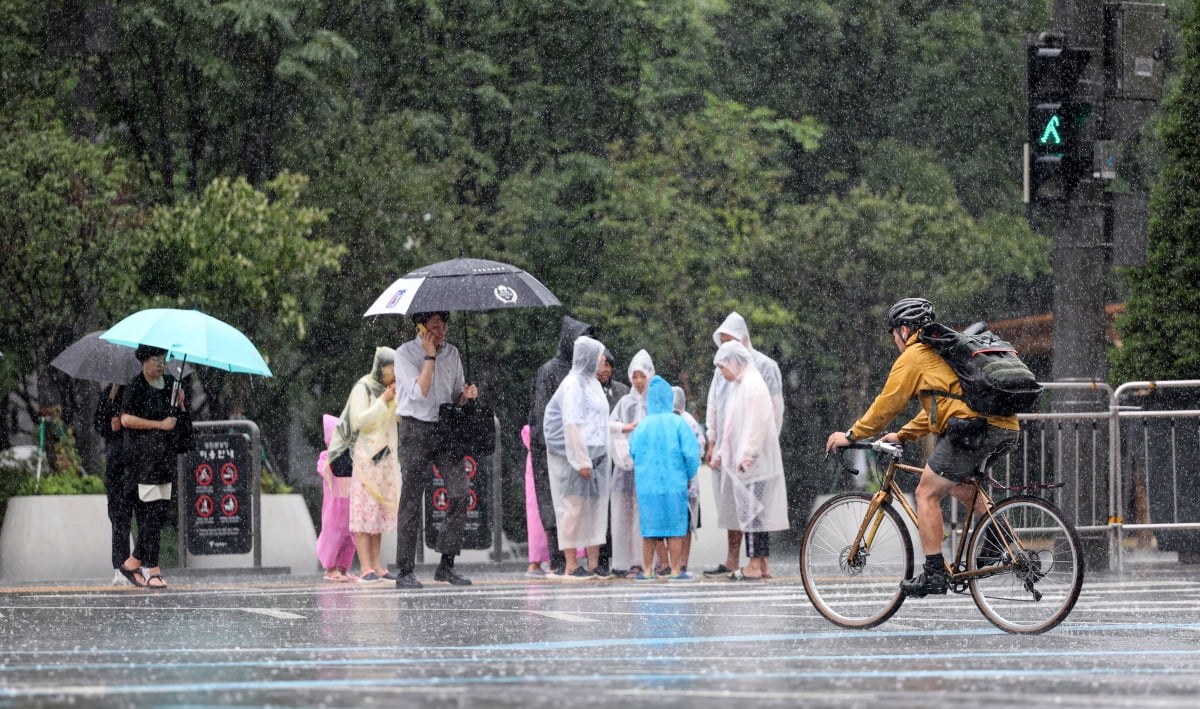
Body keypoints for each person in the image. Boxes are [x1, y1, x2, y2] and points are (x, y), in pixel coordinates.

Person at [824, 297, 1020, 597]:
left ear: (904, 329)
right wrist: (903, 435)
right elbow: (942, 407)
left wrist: (851, 435)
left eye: (894, 335)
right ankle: (1000, 539)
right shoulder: (942, 353)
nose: (895, 342)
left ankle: (934, 574)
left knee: (926, 493)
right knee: (958, 486)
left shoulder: (916, 355)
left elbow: (887, 404)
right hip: (1004, 427)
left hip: (973, 429)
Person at [394, 312, 478, 588]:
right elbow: (419, 392)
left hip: (445, 427)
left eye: (444, 325)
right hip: (414, 429)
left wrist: (465, 397)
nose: (441, 331)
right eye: (434, 326)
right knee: (411, 498)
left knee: (460, 492)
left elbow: (454, 392)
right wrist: (429, 356)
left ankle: (446, 564)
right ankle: (405, 570)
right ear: (420, 328)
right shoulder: (404, 354)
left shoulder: (452, 353)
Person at [703, 312, 785, 578]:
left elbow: (760, 421)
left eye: (723, 367)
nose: (721, 373)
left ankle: (756, 563)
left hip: (753, 458)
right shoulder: (740, 382)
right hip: (742, 457)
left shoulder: (752, 382)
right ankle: (758, 563)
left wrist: (750, 453)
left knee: (753, 513)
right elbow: (727, 423)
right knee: (750, 511)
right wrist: (719, 452)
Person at [528, 316, 595, 575]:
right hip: (551, 448)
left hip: (574, 446)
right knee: (554, 501)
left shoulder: (581, 373)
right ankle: (559, 560)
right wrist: (556, 444)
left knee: (575, 503)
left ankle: (575, 560)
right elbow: (544, 414)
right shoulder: (550, 371)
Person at [542, 335, 612, 580]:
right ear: (589, 358)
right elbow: (571, 424)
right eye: (600, 358)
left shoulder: (592, 383)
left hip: (598, 454)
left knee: (595, 508)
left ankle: (593, 564)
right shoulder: (572, 384)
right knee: (572, 508)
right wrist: (580, 459)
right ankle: (571, 564)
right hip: (575, 457)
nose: (603, 363)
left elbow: (600, 420)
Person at [117, 345, 186, 589]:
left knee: (159, 514)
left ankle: (133, 562)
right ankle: (152, 568)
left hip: (164, 459)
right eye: (156, 361)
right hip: (142, 460)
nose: (161, 366)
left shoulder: (170, 385)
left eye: (164, 361)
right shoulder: (135, 386)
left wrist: (181, 405)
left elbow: (178, 424)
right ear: (144, 361)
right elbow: (126, 419)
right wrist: (158, 424)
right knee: (149, 515)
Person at [629, 376, 701, 581]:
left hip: (647, 487)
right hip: (674, 485)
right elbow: (690, 453)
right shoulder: (678, 423)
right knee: (675, 529)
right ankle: (677, 570)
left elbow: (632, 451)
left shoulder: (642, 426)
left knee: (650, 530)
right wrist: (688, 475)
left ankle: (647, 571)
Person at [341, 347, 400, 583]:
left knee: (377, 516)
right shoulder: (363, 387)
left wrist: (395, 399)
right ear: (381, 367)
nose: (394, 374)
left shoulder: (388, 389)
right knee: (364, 516)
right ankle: (366, 566)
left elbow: (396, 418)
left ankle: (378, 565)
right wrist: (383, 402)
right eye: (391, 369)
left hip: (385, 461)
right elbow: (359, 421)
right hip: (366, 461)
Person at [609, 349, 655, 577]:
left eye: (642, 376)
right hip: (626, 467)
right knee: (623, 513)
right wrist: (624, 432)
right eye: (634, 376)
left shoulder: (656, 402)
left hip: (649, 468)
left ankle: (642, 560)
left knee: (643, 514)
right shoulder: (625, 403)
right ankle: (623, 561)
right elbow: (611, 426)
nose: (638, 381)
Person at [95, 382, 134, 586]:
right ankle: (120, 566)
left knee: (147, 515)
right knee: (119, 516)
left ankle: (143, 563)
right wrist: (111, 426)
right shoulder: (111, 392)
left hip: (142, 462)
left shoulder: (148, 391)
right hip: (117, 464)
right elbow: (98, 424)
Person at [316, 413, 358, 582]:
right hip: (334, 506)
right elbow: (323, 470)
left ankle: (342, 568)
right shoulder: (327, 456)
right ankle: (331, 568)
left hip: (349, 504)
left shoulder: (350, 456)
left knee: (350, 537)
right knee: (333, 535)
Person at [673, 385, 705, 573]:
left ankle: (682, 563)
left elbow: (697, 450)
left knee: (686, 525)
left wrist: (686, 471)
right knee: (675, 525)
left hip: (689, 483)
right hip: (673, 482)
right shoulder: (668, 421)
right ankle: (673, 563)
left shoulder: (689, 422)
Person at [521, 424, 551, 577]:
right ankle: (554, 560)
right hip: (544, 469)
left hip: (535, 472)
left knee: (537, 518)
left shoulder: (531, 430)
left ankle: (537, 560)